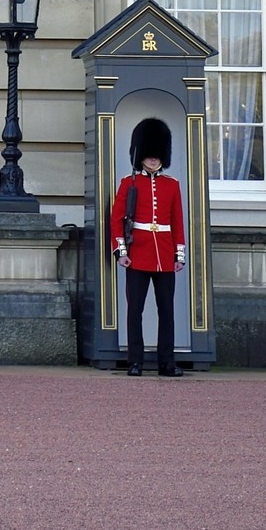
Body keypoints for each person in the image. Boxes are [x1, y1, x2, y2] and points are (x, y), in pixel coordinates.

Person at [109, 115, 185, 377]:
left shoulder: (172, 185)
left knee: (166, 311)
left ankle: (167, 362)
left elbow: (177, 222)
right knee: (135, 311)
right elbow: (117, 219)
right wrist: (121, 252)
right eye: (149, 154)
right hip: (138, 254)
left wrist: (179, 255)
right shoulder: (128, 184)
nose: (153, 159)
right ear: (140, 155)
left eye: (157, 154)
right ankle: (135, 361)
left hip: (164, 255)